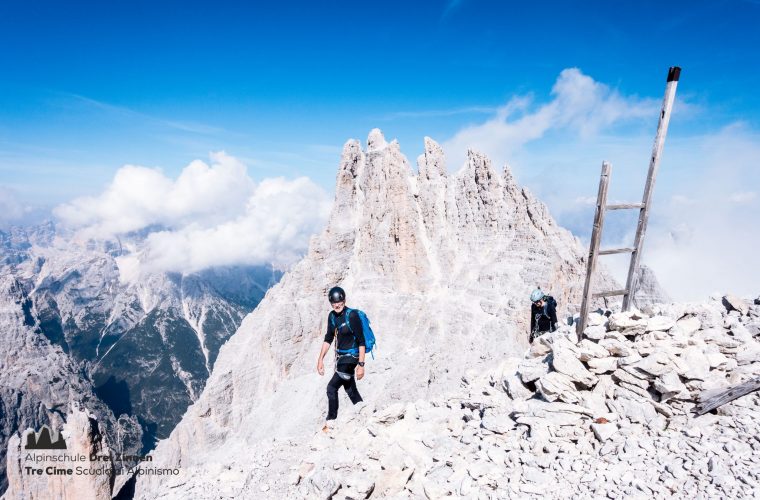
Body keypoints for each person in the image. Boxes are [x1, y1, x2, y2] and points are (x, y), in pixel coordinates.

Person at [316, 286, 366, 430]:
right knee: (350, 389)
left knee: (331, 388)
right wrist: (320, 360)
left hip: (352, 357)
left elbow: (361, 341)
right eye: (334, 303)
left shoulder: (352, 316)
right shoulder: (332, 317)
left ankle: (331, 422)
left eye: (340, 302)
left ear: (344, 300)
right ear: (331, 303)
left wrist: (361, 365)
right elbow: (328, 338)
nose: (337, 305)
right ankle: (363, 412)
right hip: (341, 358)